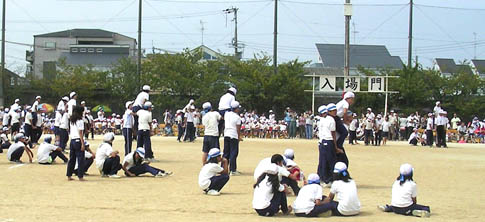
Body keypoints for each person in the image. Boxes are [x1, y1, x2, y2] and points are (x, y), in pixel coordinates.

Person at [317, 104, 343, 186]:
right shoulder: (331, 120)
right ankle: (330, 180)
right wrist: (336, 147)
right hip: (329, 142)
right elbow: (333, 134)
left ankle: (322, 178)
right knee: (331, 161)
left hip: (321, 142)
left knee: (322, 161)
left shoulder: (321, 120)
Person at [66, 106, 86, 181]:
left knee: (72, 159)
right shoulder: (80, 121)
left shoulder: (72, 120)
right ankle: (80, 176)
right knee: (80, 159)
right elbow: (80, 132)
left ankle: (69, 175)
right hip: (78, 140)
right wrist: (82, 143)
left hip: (72, 140)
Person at [223, 101, 243, 175]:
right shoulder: (237, 117)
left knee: (226, 153)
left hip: (226, 134)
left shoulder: (226, 114)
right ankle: (233, 170)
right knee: (233, 153)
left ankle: (224, 169)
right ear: (236, 109)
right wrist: (239, 137)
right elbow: (238, 129)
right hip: (233, 135)